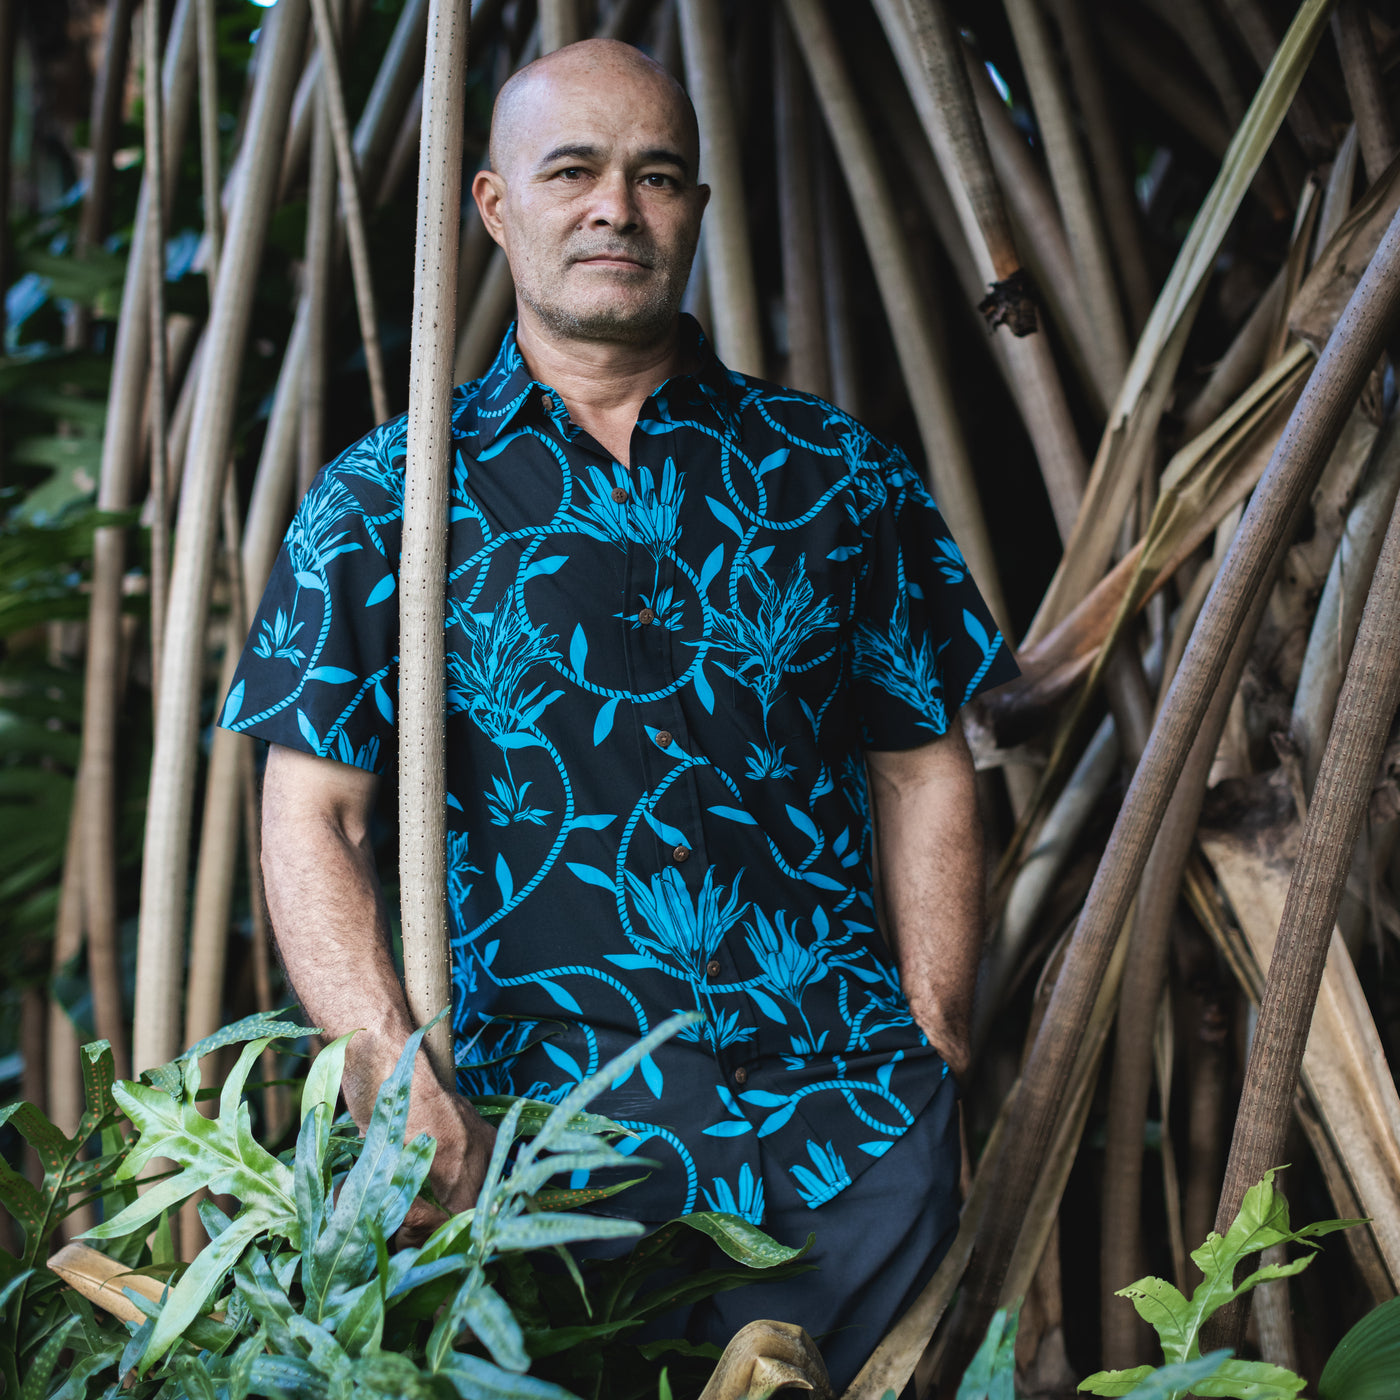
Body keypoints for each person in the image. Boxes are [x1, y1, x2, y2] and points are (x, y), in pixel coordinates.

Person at [223, 37, 1018, 1390]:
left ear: (697, 209)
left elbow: (923, 765)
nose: (616, 207)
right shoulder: (384, 502)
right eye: (574, 171)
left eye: (657, 177)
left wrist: (934, 1039)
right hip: (546, 1166)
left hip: (847, 1142)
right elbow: (311, 816)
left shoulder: (838, 477)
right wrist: (387, 1069)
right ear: (492, 206)